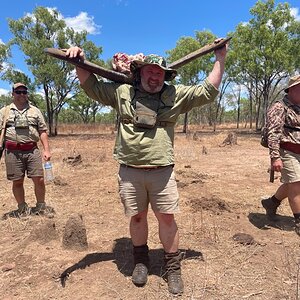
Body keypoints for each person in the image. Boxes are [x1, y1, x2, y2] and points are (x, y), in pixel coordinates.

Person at [66, 40, 228, 295]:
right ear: (139, 72)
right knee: (138, 217)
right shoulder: (122, 93)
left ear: (165, 76)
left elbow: (207, 91)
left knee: (167, 218)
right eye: (150, 71)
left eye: (159, 73)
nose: (154, 77)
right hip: (129, 171)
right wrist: (78, 60)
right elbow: (91, 87)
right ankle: (141, 261)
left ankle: (172, 268)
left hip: (162, 171)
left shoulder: (175, 95)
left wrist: (220, 58)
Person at [0, 82, 52, 219]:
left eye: (24, 92)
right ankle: (22, 208)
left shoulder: (35, 111)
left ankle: (41, 207)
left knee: (39, 179)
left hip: (32, 150)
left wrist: (46, 150)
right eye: (18, 92)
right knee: (17, 181)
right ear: (13, 94)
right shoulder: (4, 112)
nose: (22, 94)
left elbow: (42, 131)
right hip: (12, 152)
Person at [262, 75, 300, 236]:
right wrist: (275, 157)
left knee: (292, 183)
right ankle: (299, 221)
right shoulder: (279, 107)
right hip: (286, 150)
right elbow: (274, 133)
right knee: (297, 184)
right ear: (291, 89)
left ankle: (272, 203)